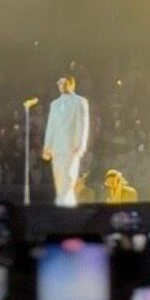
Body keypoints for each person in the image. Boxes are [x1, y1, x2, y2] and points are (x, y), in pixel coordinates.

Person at [41, 75, 90, 208]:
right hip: (57, 147)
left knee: (69, 176)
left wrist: (80, 146)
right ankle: (60, 203)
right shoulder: (55, 104)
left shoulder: (80, 101)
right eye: (59, 83)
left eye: (64, 83)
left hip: (71, 146)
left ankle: (67, 205)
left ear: (71, 84)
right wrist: (47, 146)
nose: (61, 85)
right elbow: (51, 126)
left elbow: (82, 124)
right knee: (58, 177)